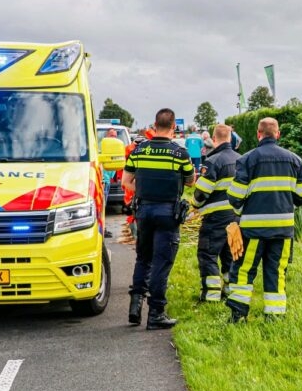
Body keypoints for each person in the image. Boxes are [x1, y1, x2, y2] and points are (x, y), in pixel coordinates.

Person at [225, 117, 302, 322]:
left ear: (258, 134)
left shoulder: (247, 159)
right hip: (283, 229)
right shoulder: (295, 160)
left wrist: (243, 210)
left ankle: (238, 315)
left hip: (253, 229)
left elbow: (235, 196)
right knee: (277, 271)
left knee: (244, 271)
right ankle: (275, 316)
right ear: (278, 134)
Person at [121, 109, 195, 329]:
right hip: (168, 213)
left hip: (143, 211)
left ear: (154, 125)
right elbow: (190, 181)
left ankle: (135, 308)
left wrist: (142, 192)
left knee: (143, 258)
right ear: (174, 127)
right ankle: (156, 314)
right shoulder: (179, 153)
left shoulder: (139, 150)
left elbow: (126, 181)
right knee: (161, 263)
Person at [191, 124, 240, 302]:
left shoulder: (213, 161)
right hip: (236, 217)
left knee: (208, 253)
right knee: (230, 253)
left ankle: (211, 294)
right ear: (230, 137)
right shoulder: (241, 159)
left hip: (216, 218)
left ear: (214, 138)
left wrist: (194, 204)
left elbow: (202, 191)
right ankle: (230, 291)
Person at [101, 128, 119, 238]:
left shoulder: (114, 148)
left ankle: (103, 229)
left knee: (103, 207)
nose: (114, 138)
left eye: (115, 136)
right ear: (106, 136)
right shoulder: (103, 148)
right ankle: (102, 230)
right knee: (101, 207)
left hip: (107, 181)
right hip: (102, 181)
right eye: (112, 135)